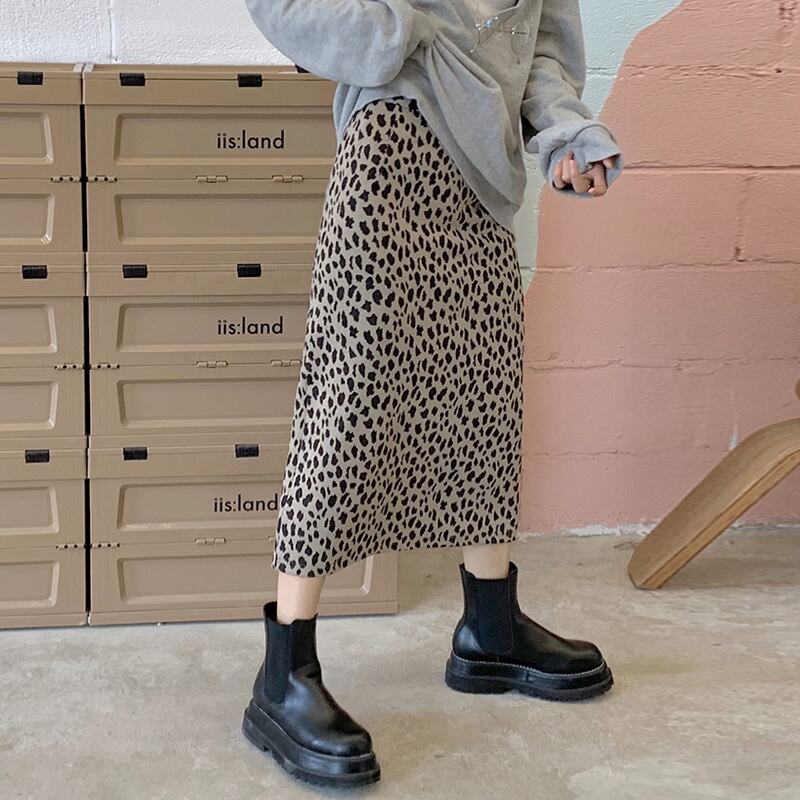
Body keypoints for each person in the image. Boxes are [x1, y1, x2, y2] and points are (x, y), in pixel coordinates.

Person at [242, 0, 623, 787]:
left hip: (484, 186)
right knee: (349, 405)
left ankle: (490, 630)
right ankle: (284, 673)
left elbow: (542, 58)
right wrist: (396, 32)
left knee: (484, 405)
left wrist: (565, 139)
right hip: (389, 157)